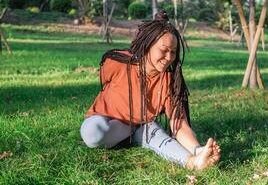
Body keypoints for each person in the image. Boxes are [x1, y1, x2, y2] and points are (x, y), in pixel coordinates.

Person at [80, 10, 221, 170]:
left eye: (173, 52)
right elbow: (105, 80)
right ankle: (132, 129)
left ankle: (194, 161)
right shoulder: (118, 62)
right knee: (92, 133)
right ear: (147, 45)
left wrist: (197, 148)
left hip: (143, 128)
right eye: (164, 50)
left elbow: (178, 124)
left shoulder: (170, 81)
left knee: (157, 136)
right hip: (108, 124)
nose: (169, 57)